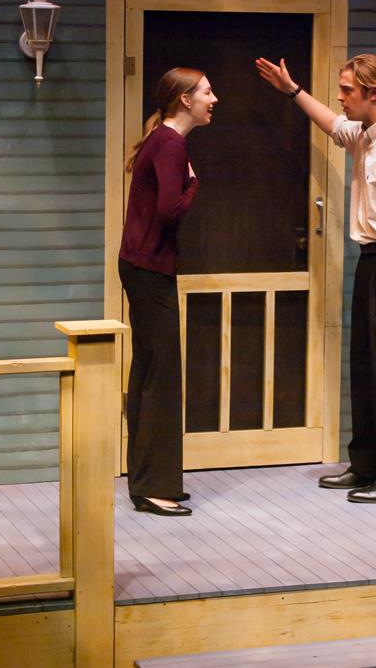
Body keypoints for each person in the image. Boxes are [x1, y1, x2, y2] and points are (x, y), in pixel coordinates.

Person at [256, 54, 376, 503]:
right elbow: (332, 126)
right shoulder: (365, 134)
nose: (339, 98)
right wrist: (292, 90)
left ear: (374, 94)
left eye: (347, 90)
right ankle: (366, 466)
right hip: (373, 262)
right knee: (366, 368)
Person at [119, 68, 218, 517]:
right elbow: (168, 212)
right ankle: (153, 487)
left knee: (150, 369)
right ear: (184, 100)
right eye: (206, 92)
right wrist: (195, 185)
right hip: (149, 268)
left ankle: (148, 480)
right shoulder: (172, 143)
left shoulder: (164, 140)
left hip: (142, 266)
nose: (214, 99)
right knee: (160, 374)